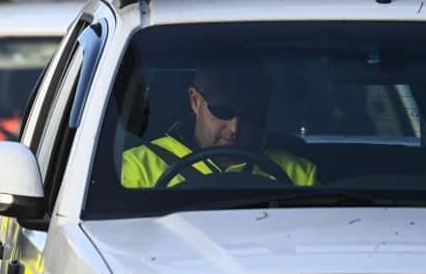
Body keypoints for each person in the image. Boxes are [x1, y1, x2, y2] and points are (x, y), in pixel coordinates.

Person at [120, 52, 318, 188]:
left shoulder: (298, 174)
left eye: (248, 115)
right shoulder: (136, 168)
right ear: (195, 101)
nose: (234, 128)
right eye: (223, 111)